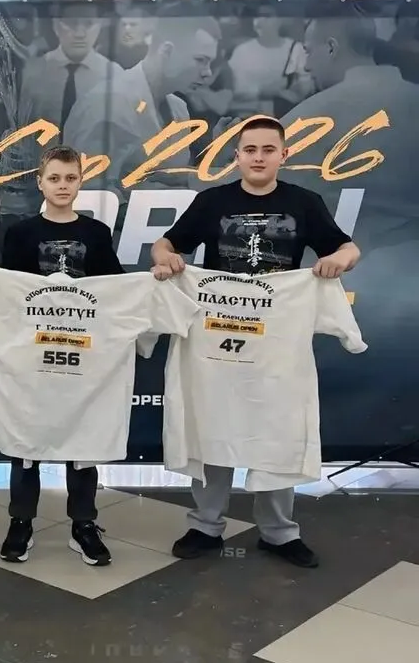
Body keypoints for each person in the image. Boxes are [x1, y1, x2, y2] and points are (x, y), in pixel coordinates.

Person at [150, 116, 361, 569]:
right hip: (216, 338)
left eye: (268, 149)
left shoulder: (304, 203)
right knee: (212, 423)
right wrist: (166, 259)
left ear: (284, 155)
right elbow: (165, 245)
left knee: (277, 429)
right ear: (237, 156)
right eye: (250, 150)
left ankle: (280, 533)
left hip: (276, 342)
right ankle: (206, 526)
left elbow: (348, 248)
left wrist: (340, 260)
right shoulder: (212, 202)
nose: (259, 157)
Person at [0, 145, 123, 565]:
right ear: (40, 183)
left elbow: (116, 291)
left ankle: (84, 524)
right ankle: (21, 522)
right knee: (26, 440)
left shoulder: (96, 234)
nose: (62, 186)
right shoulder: (20, 233)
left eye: (70, 178)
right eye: (54, 178)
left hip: (82, 357)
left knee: (83, 439)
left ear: (80, 182)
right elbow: (7, 291)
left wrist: (155, 282)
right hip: (31, 356)